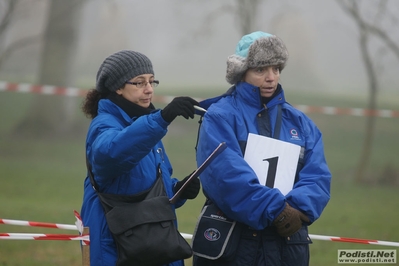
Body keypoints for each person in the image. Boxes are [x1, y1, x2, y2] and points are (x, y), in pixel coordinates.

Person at [193, 31, 331, 266]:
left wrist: (298, 209)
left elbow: (317, 177)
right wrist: (276, 209)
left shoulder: (302, 124)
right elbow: (226, 177)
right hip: (234, 248)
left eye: (276, 69)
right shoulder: (220, 117)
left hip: (287, 247)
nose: (271, 77)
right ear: (241, 72)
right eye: (261, 70)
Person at [81, 50, 201, 266]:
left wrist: (178, 190)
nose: (149, 89)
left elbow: (145, 187)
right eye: (139, 83)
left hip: (153, 246)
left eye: (152, 82)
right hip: (118, 249)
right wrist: (162, 118)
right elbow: (112, 155)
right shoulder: (105, 124)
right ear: (117, 87)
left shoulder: (146, 123)